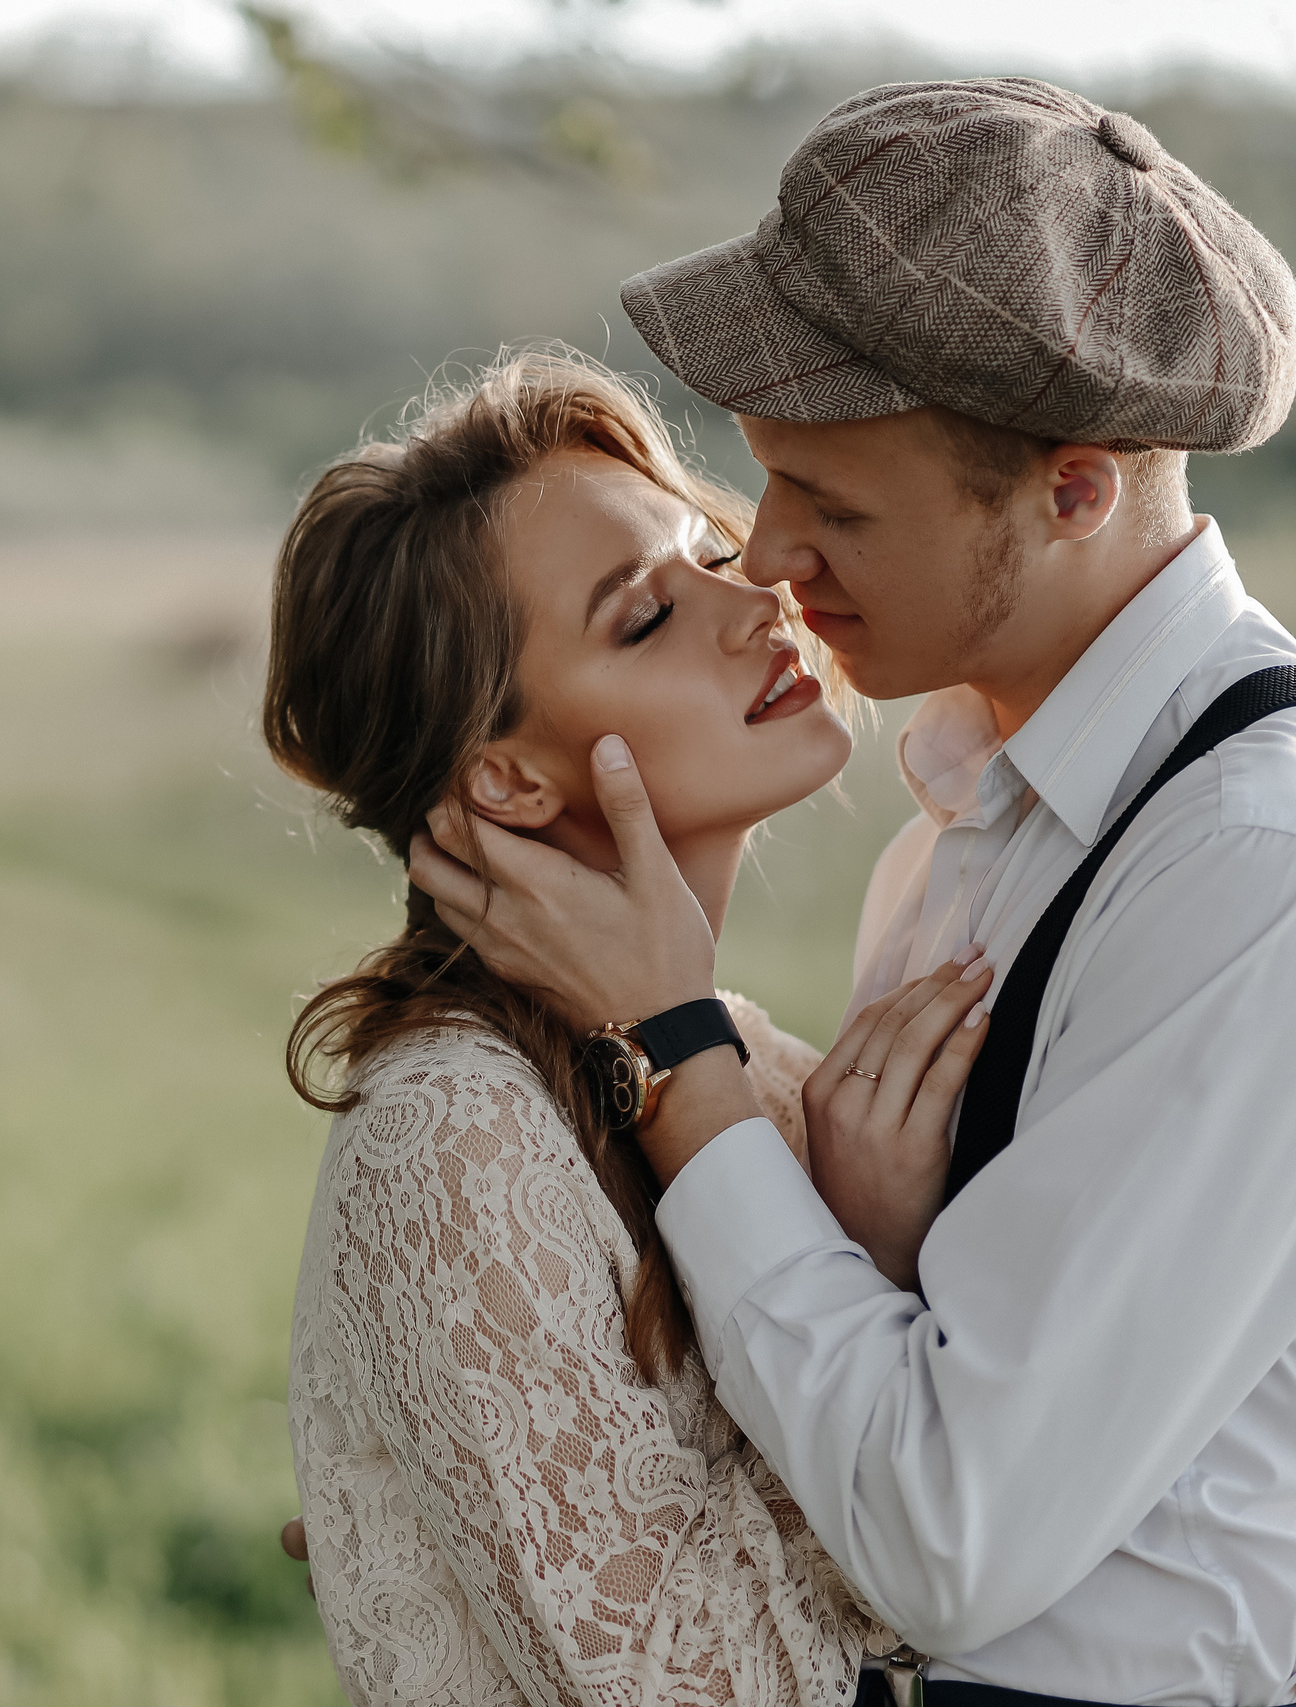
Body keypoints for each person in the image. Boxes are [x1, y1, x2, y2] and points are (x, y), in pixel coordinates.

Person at [397, 77, 1296, 1707]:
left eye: (834, 506)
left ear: (1073, 490)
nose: (762, 556)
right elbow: (898, 1400)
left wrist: (679, 1058)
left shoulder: (1275, 867)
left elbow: (945, 1540)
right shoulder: (975, 814)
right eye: (768, 482)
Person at [268, 345, 991, 1706]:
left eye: (709, 554)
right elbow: (697, 1687)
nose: (760, 597)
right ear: (508, 779)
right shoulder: (450, 1131)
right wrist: (874, 1260)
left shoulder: (751, 1069)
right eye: (645, 619)